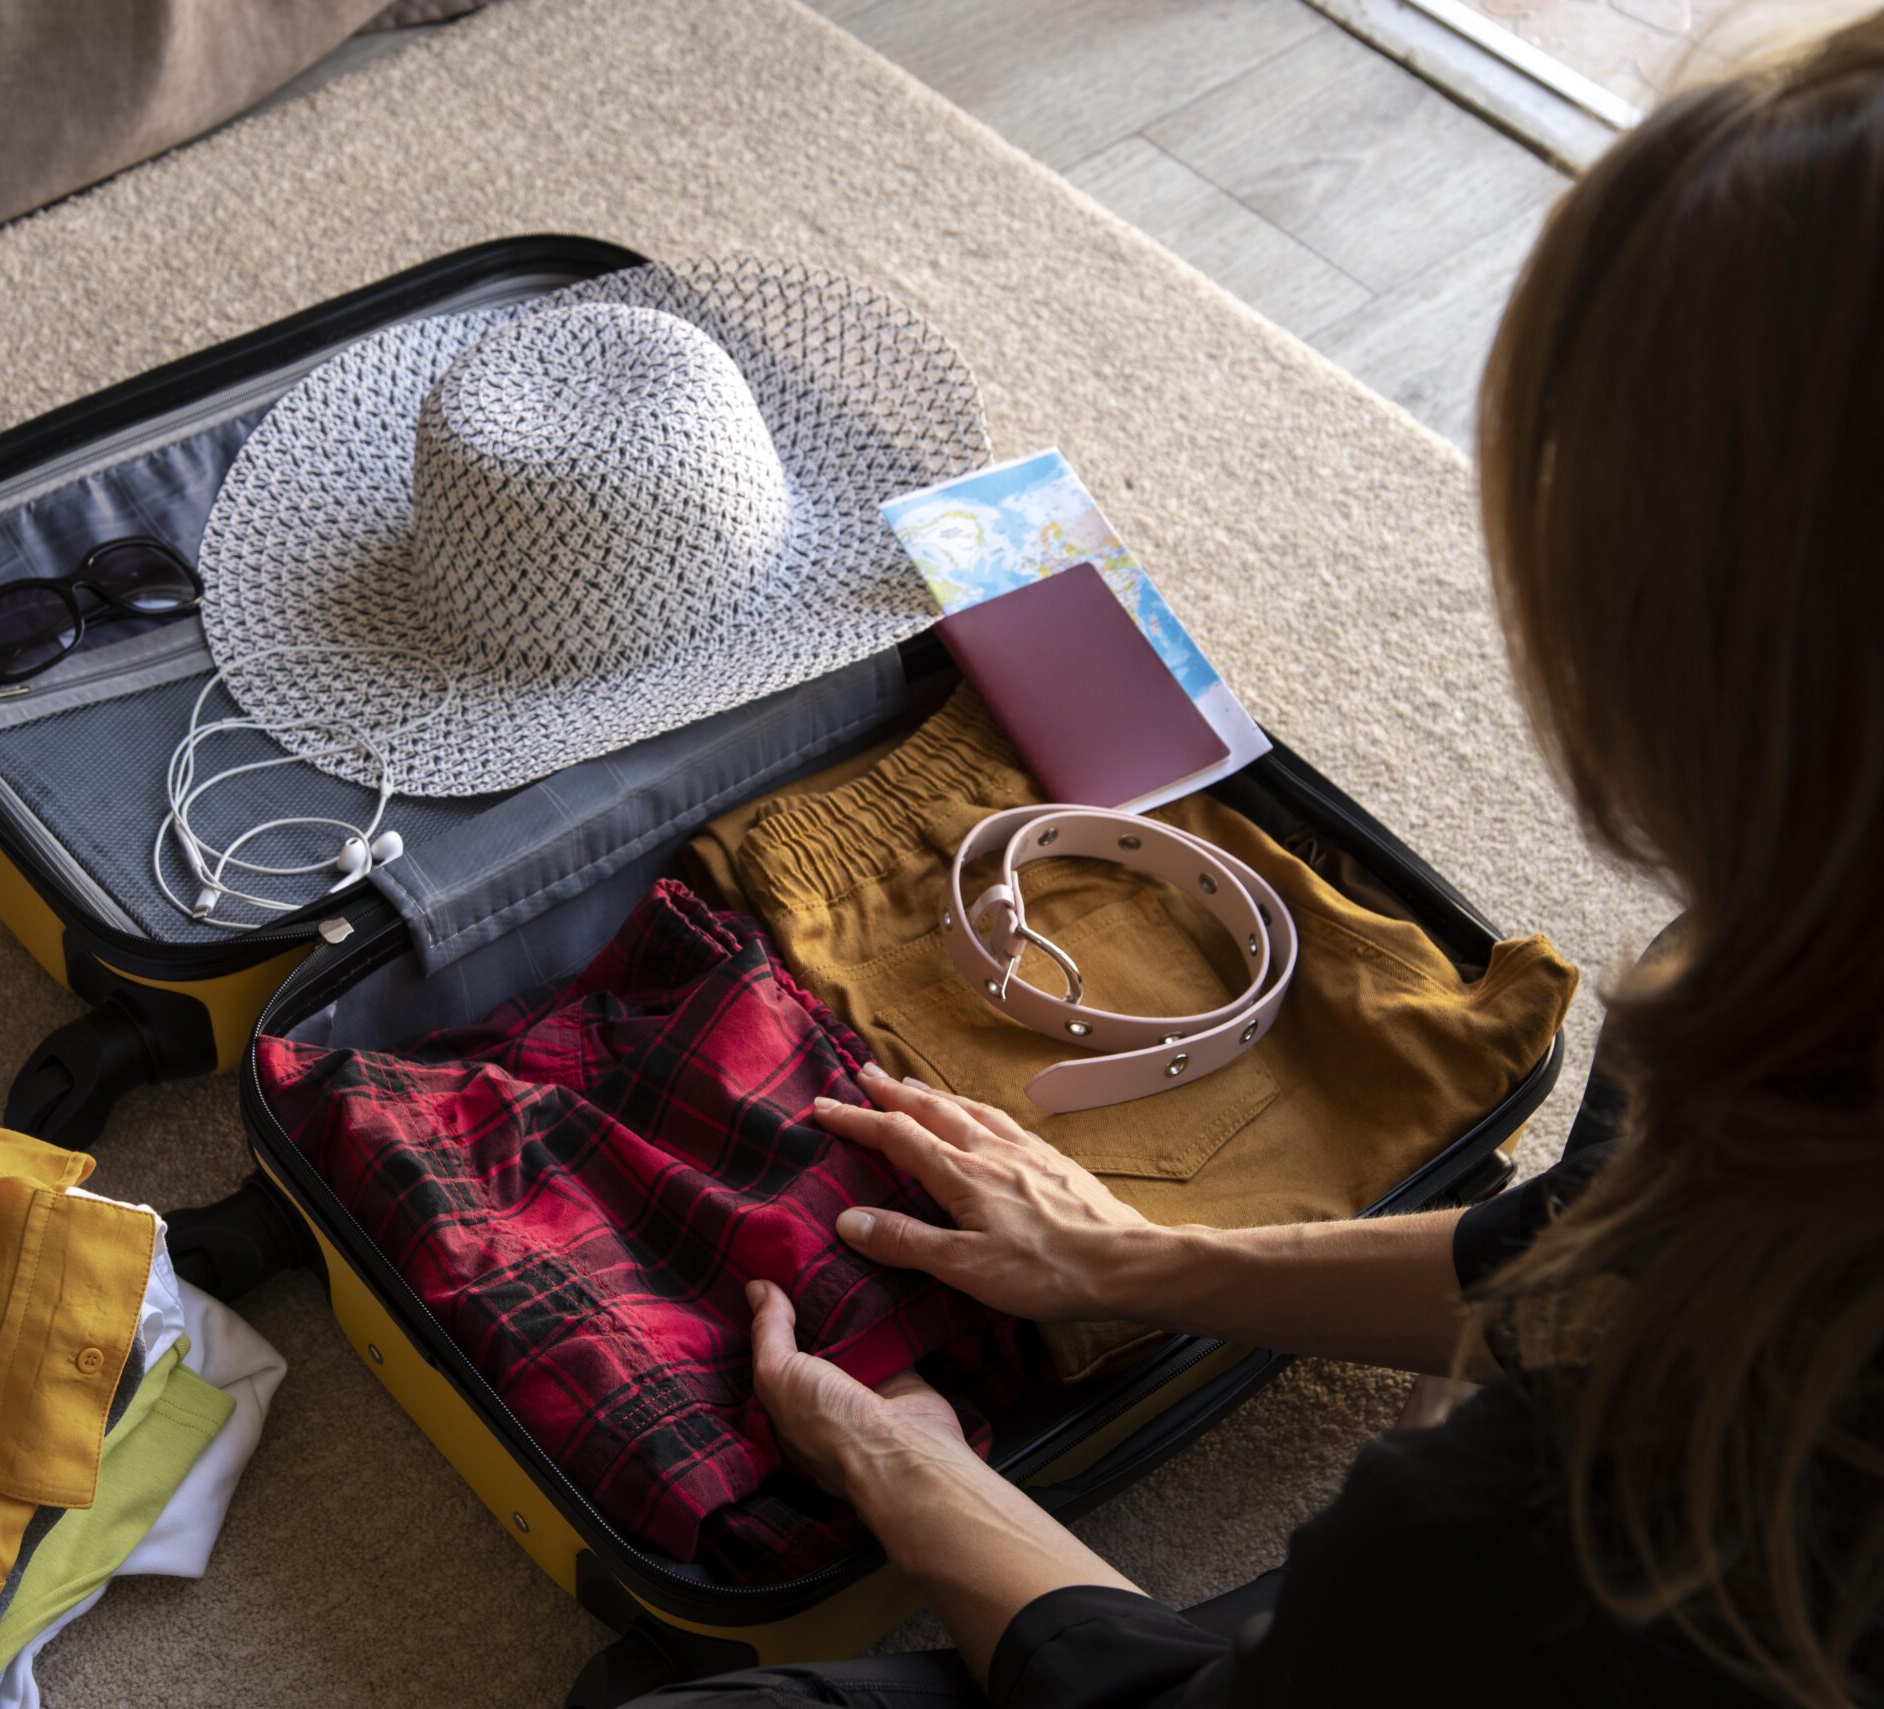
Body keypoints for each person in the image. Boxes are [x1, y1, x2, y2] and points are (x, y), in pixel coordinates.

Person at [629, 12, 1884, 1708]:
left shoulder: (1588, 1535)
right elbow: (1595, 1256)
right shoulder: (1788, 1030)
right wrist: (1131, 1260)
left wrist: (919, 1471)